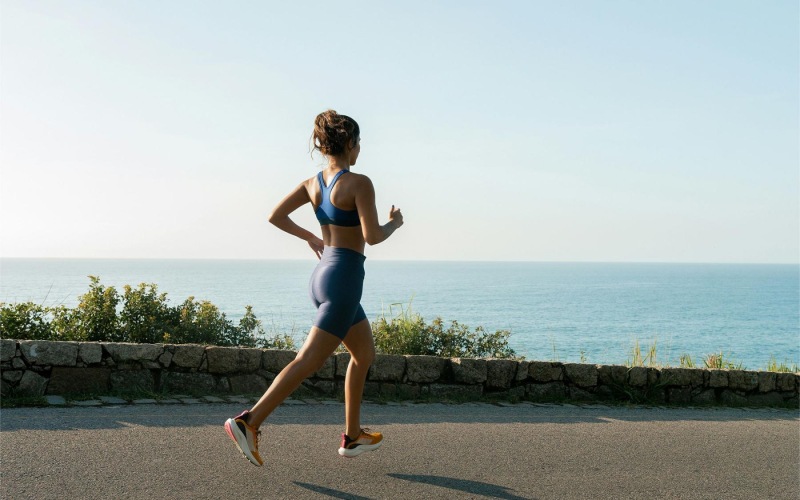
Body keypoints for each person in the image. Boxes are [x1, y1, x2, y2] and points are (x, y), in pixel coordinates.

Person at [224, 110, 404, 466]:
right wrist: (395, 223)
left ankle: (353, 437)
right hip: (344, 280)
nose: (360, 149)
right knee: (307, 359)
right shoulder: (359, 183)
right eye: (359, 143)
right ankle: (249, 421)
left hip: (324, 275)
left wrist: (309, 236)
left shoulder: (312, 183)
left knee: (363, 354)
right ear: (350, 143)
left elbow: (275, 215)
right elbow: (372, 237)